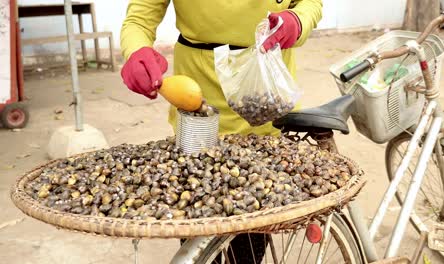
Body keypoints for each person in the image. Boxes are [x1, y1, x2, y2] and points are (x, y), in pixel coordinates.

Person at [120, 1, 322, 262]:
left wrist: (298, 20)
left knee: (251, 233)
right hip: (197, 115)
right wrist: (137, 51)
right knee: (197, 229)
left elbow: (311, 3)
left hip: (263, 101)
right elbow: (139, 19)